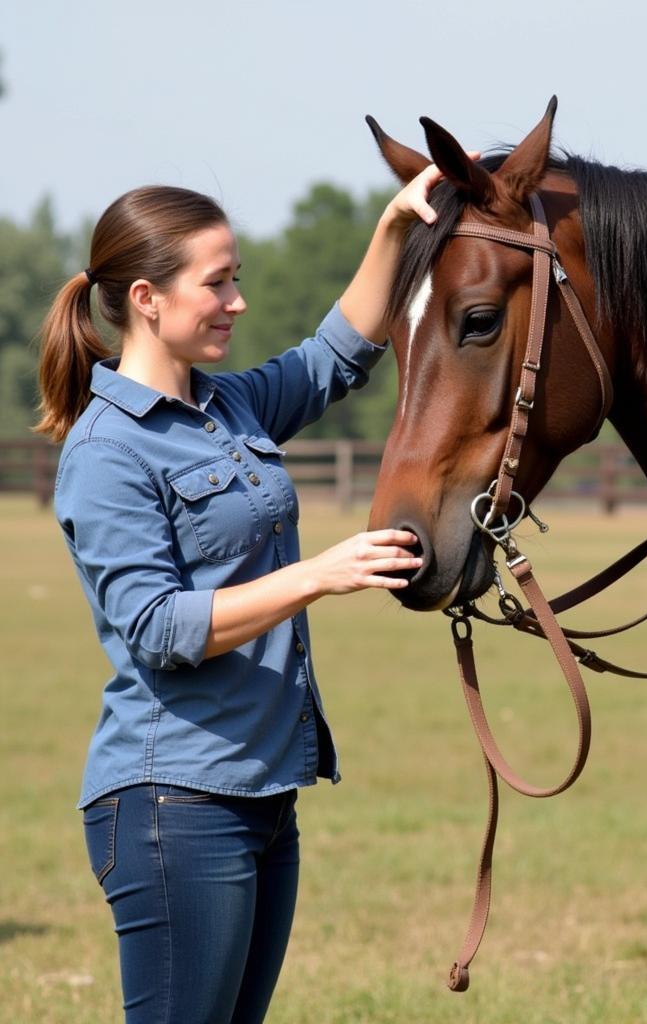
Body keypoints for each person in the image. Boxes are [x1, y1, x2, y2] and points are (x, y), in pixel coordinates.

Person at [35, 168, 446, 1022]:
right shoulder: (107, 451)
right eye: (216, 283)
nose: (237, 301)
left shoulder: (230, 407)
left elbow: (335, 355)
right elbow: (157, 627)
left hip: (261, 796)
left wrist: (394, 227)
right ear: (146, 298)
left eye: (237, 278)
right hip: (172, 805)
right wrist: (317, 575)